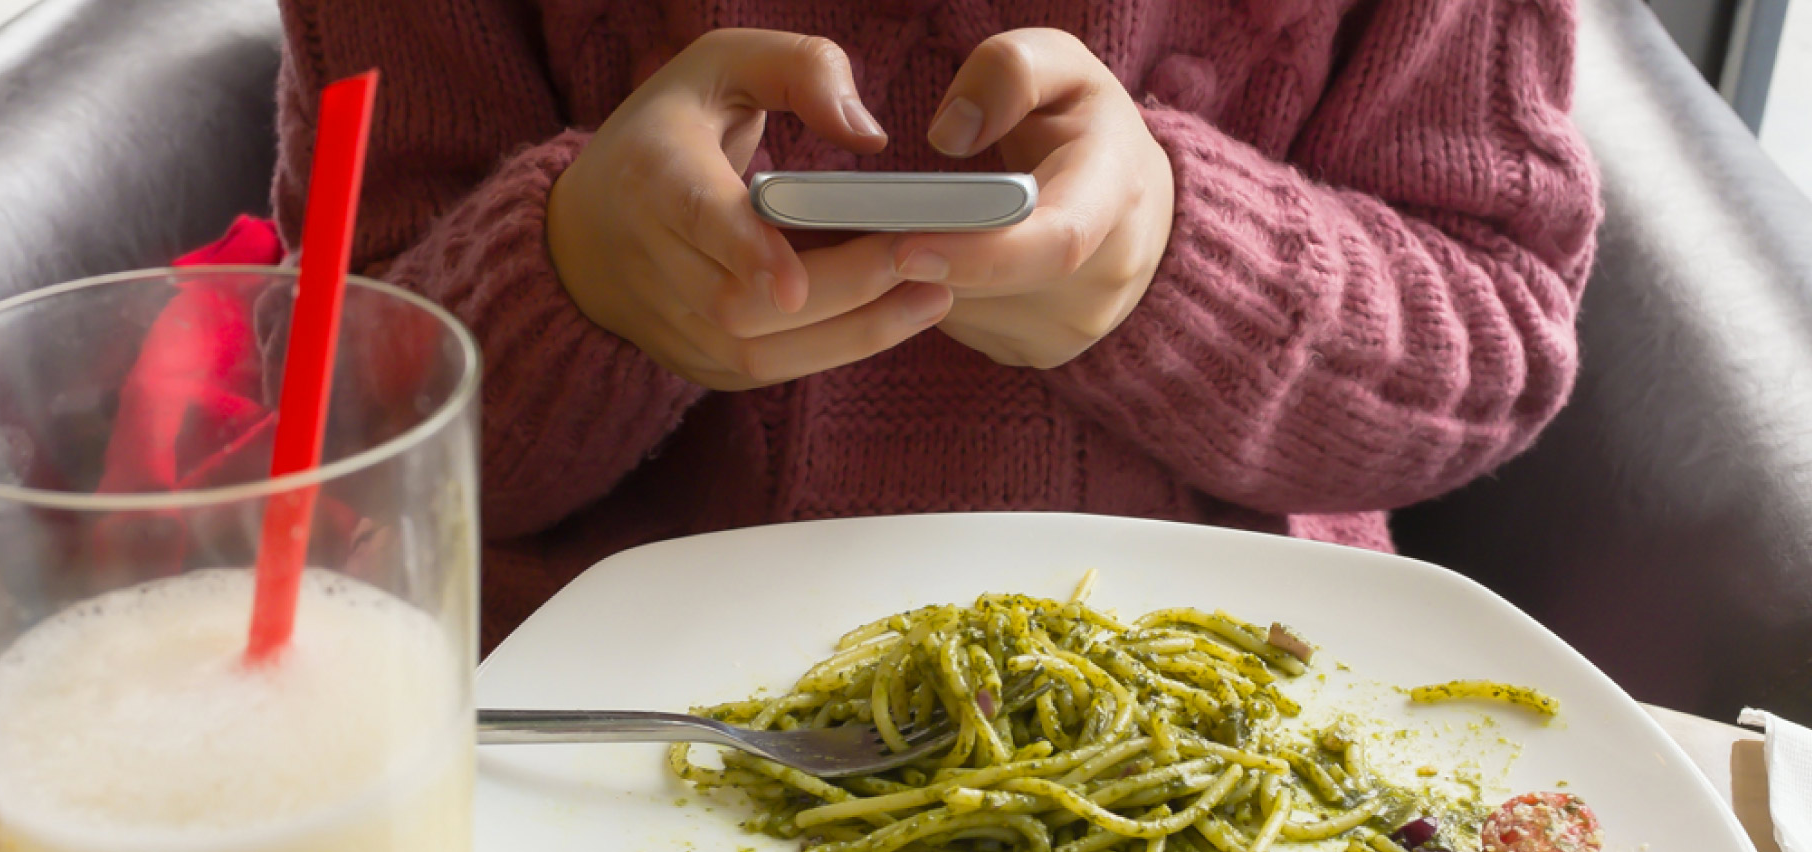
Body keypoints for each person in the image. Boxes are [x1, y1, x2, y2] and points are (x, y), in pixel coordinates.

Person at [273, 0, 1600, 649]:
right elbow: (345, 423)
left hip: (1226, 707)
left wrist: (1179, 266)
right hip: (608, 727)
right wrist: (578, 277)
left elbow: (1494, 342)